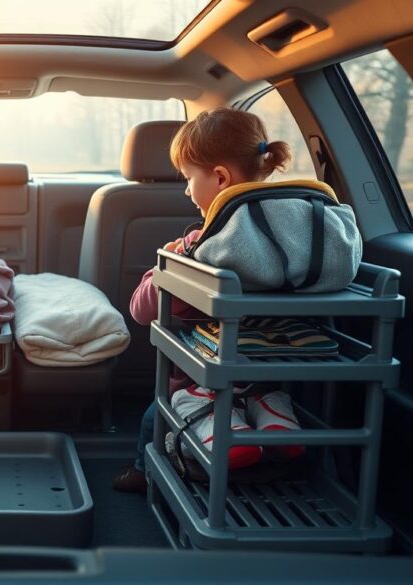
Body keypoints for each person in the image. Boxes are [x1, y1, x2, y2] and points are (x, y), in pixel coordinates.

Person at [113, 107, 306, 493]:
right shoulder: (300, 241)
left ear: (219, 177)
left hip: (202, 380)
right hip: (271, 373)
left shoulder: (203, 248)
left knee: (155, 417)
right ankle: (272, 414)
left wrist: (165, 264)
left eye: (188, 178)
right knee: (260, 395)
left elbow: (141, 309)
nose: (187, 190)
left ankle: (143, 471)